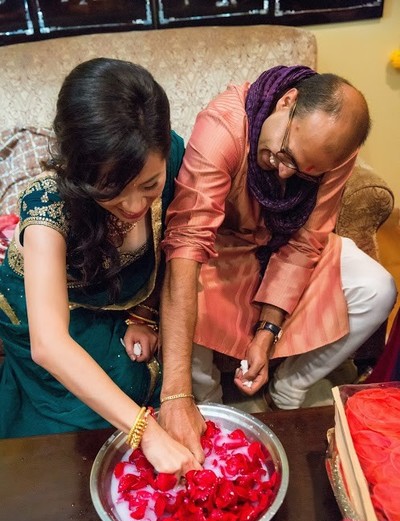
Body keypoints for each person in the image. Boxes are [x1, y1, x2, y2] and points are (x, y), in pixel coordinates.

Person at [158, 65, 397, 462]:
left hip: (285, 246)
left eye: (304, 172)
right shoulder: (224, 126)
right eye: (285, 155)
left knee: (378, 288)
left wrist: (267, 331)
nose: (285, 173)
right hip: (221, 247)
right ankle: (210, 403)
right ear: (287, 103)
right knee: (185, 287)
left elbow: (307, 241)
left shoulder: (333, 151)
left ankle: (291, 386)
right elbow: (188, 241)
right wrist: (175, 393)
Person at [0, 58, 201, 477]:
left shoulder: (173, 156)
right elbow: (49, 344)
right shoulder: (49, 208)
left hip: (116, 302)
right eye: (111, 191)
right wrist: (147, 432)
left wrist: (143, 314)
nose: (133, 207)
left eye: (149, 187)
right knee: (101, 418)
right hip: (47, 313)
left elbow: (177, 250)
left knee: (139, 373)